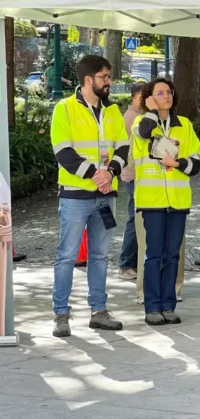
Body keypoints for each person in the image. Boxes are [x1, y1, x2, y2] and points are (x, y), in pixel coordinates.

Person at [50, 55, 128, 337]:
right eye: (104, 77)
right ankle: (61, 315)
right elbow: (63, 151)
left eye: (108, 77)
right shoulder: (65, 109)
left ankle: (99, 311)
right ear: (88, 80)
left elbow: (123, 147)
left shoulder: (113, 111)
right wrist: (97, 174)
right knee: (67, 256)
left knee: (100, 256)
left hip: (106, 195)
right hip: (74, 196)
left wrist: (110, 174)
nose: (108, 82)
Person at [132, 78, 200, 326]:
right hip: (152, 201)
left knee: (172, 255)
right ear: (149, 97)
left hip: (178, 201)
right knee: (154, 255)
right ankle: (152, 307)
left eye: (169, 91)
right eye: (160, 92)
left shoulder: (184, 125)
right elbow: (142, 135)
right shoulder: (143, 123)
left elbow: (196, 162)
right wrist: (151, 111)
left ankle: (168, 305)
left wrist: (178, 164)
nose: (167, 95)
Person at [117, 82, 144, 281]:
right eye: (143, 96)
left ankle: (133, 263)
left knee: (138, 219)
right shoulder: (131, 118)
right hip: (133, 175)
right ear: (134, 97)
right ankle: (126, 265)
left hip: (138, 175)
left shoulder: (141, 116)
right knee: (134, 219)